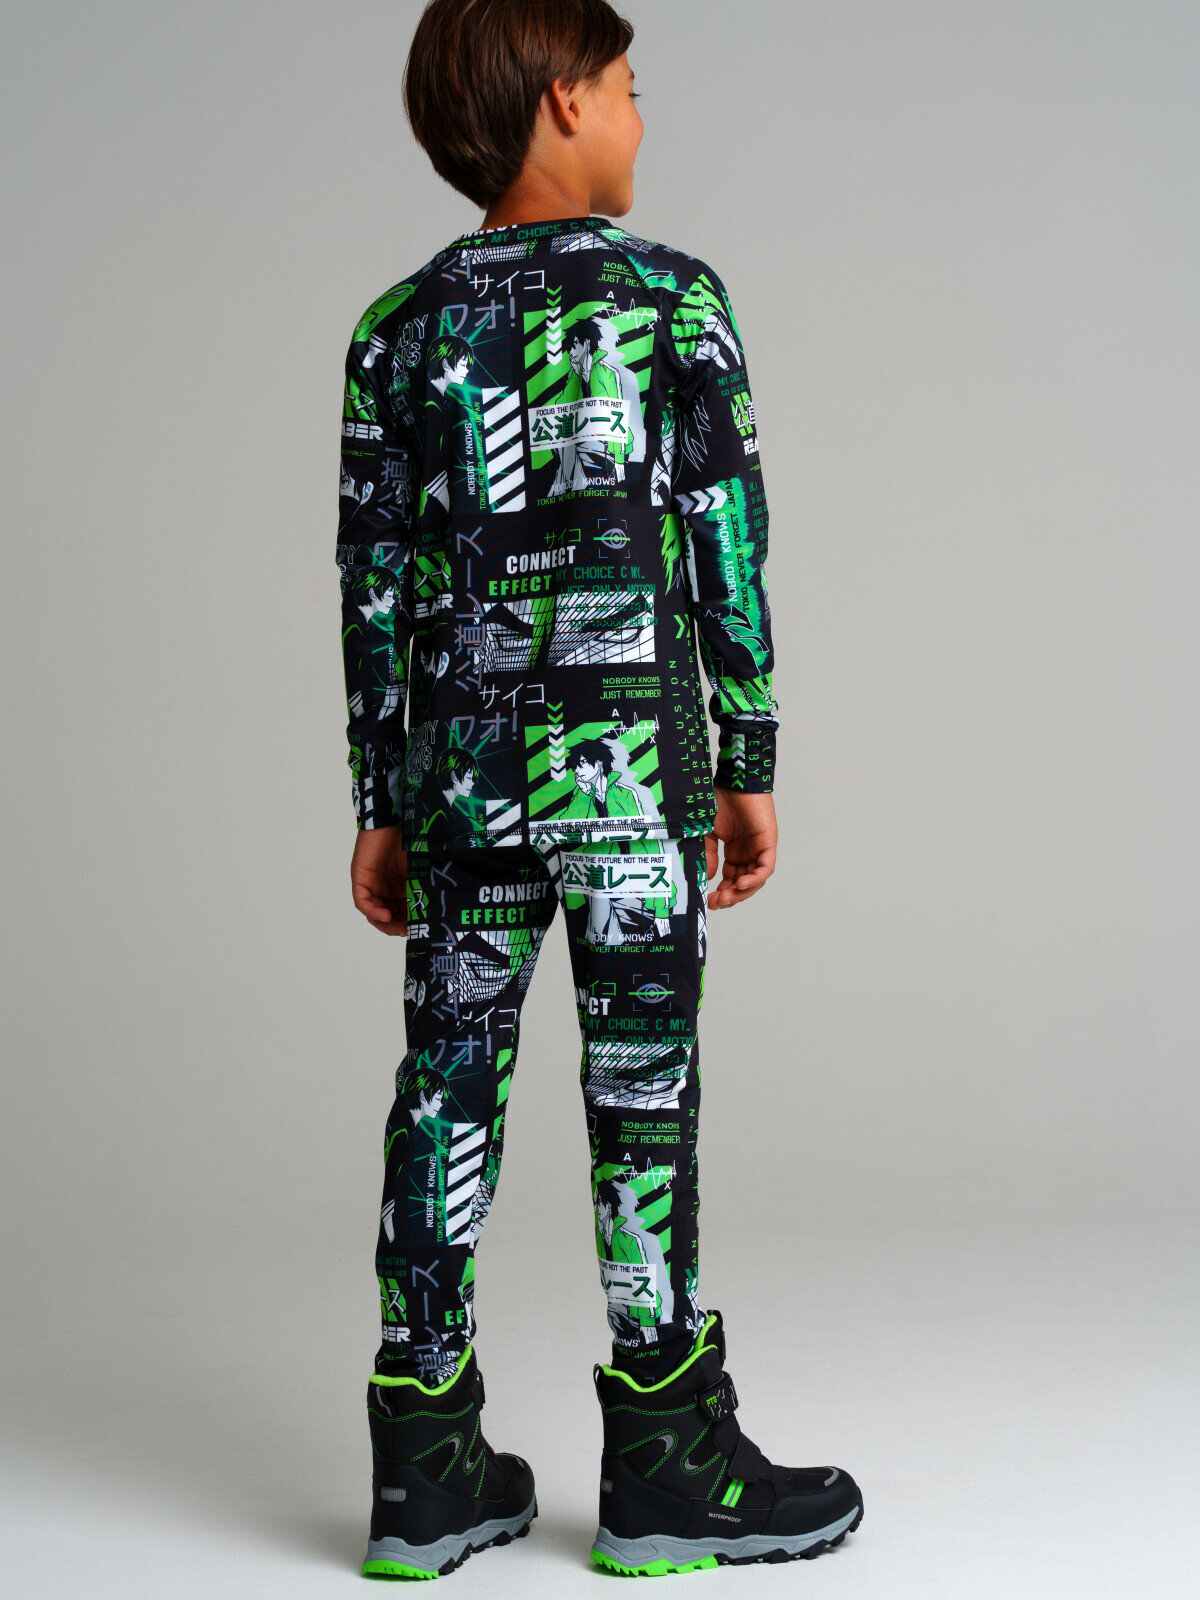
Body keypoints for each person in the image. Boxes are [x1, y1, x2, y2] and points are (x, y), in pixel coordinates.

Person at [336, 0, 862, 1578]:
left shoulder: (394, 333)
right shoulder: (675, 302)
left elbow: (375, 588)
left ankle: (424, 1467)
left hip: (463, 784)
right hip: (632, 778)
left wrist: (381, 797)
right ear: (564, 100)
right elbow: (726, 548)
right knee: (641, 1091)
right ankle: (667, 1465)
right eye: (629, 86)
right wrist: (748, 762)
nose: (640, 114)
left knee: (447, 1085)